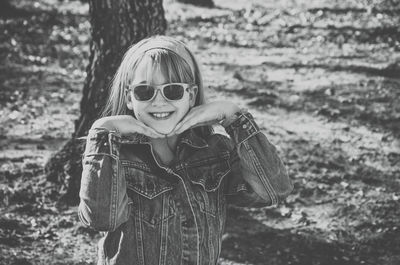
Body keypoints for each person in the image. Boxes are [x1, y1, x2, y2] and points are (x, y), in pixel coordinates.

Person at [78, 35, 293, 265]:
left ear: (191, 95)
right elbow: (101, 219)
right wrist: (101, 130)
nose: (159, 101)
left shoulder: (215, 152)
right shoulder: (117, 156)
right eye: (144, 91)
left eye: (172, 91)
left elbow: (273, 190)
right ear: (129, 98)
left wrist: (233, 116)